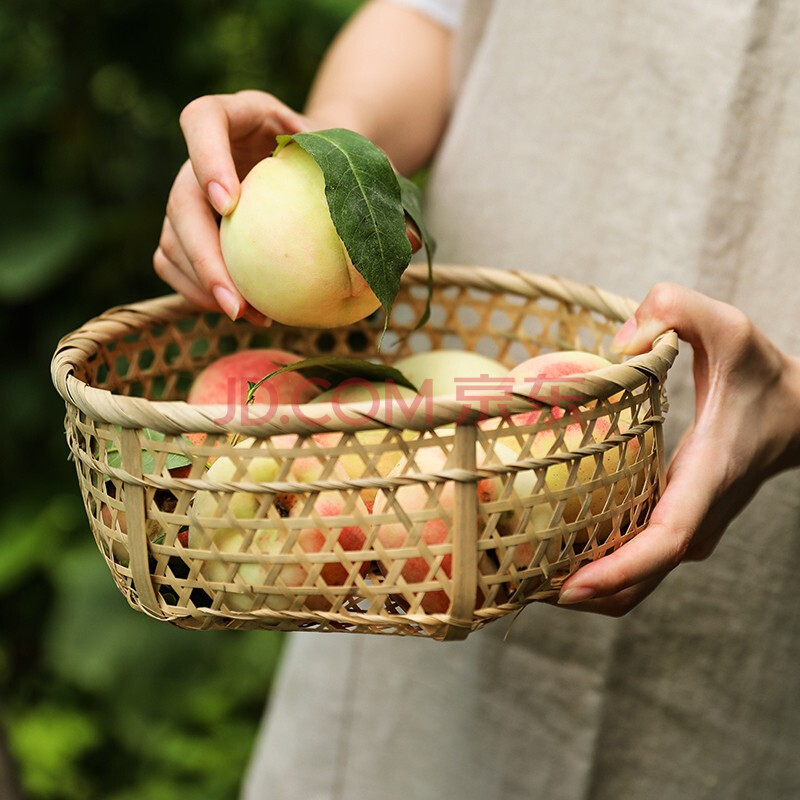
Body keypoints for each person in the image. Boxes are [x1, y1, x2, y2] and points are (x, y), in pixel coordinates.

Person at [154, 1, 800, 797]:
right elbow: (434, 20)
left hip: (759, 605)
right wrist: (333, 162)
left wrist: (793, 403)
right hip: (390, 501)